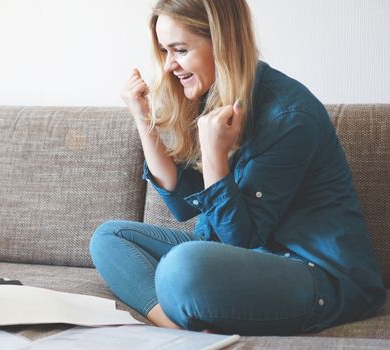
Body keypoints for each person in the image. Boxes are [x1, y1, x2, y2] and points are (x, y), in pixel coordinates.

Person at [89, 0, 386, 335]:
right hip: (238, 257)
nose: (170, 65)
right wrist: (142, 118)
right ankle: (175, 327)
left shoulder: (289, 116)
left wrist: (214, 155)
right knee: (109, 237)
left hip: (318, 276)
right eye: (165, 51)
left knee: (182, 268)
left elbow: (240, 243)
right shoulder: (209, 94)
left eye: (180, 50)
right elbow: (181, 200)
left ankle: (184, 315)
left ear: (223, 42)